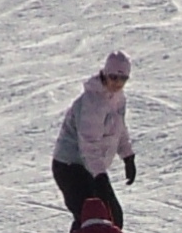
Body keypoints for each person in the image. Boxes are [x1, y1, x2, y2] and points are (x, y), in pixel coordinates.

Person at [51, 50, 136, 223]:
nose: (118, 83)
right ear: (105, 73)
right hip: (70, 166)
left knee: (114, 218)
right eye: (113, 77)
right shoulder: (93, 102)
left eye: (123, 79)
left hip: (91, 167)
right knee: (91, 219)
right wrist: (100, 176)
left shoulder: (118, 98)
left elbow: (119, 128)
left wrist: (128, 156)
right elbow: (88, 145)